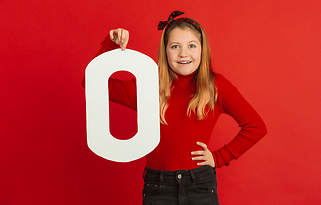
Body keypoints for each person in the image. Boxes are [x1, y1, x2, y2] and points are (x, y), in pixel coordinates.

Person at [84, 11, 267, 205]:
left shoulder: (216, 86)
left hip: (200, 184)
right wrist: (110, 45)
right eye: (175, 46)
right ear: (165, 51)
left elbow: (256, 126)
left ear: (202, 49)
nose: (183, 53)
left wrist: (219, 157)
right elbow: (92, 82)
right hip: (158, 186)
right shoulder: (148, 85)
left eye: (191, 46)